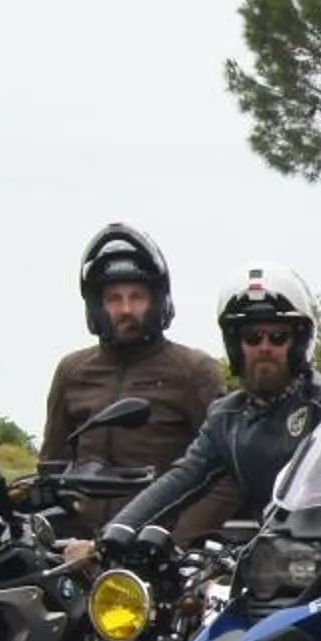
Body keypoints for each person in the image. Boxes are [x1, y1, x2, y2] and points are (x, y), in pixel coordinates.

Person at [81, 266, 321, 554]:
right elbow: (180, 481)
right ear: (235, 346)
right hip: (277, 561)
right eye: (252, 337)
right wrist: (109, 538)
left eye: (277, 336)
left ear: (298, 342)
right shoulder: (227, 418)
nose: (264, 347)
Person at [41, 222, 233, 537]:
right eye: (114, 298)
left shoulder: (194, 370)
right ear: (97, 305)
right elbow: (51, 466)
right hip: (77, 546)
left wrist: (177, 539)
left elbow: (226, 472)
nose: (126, 309)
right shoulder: (72, 371)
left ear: (157, 300)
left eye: (137, 297)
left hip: (156, 546)